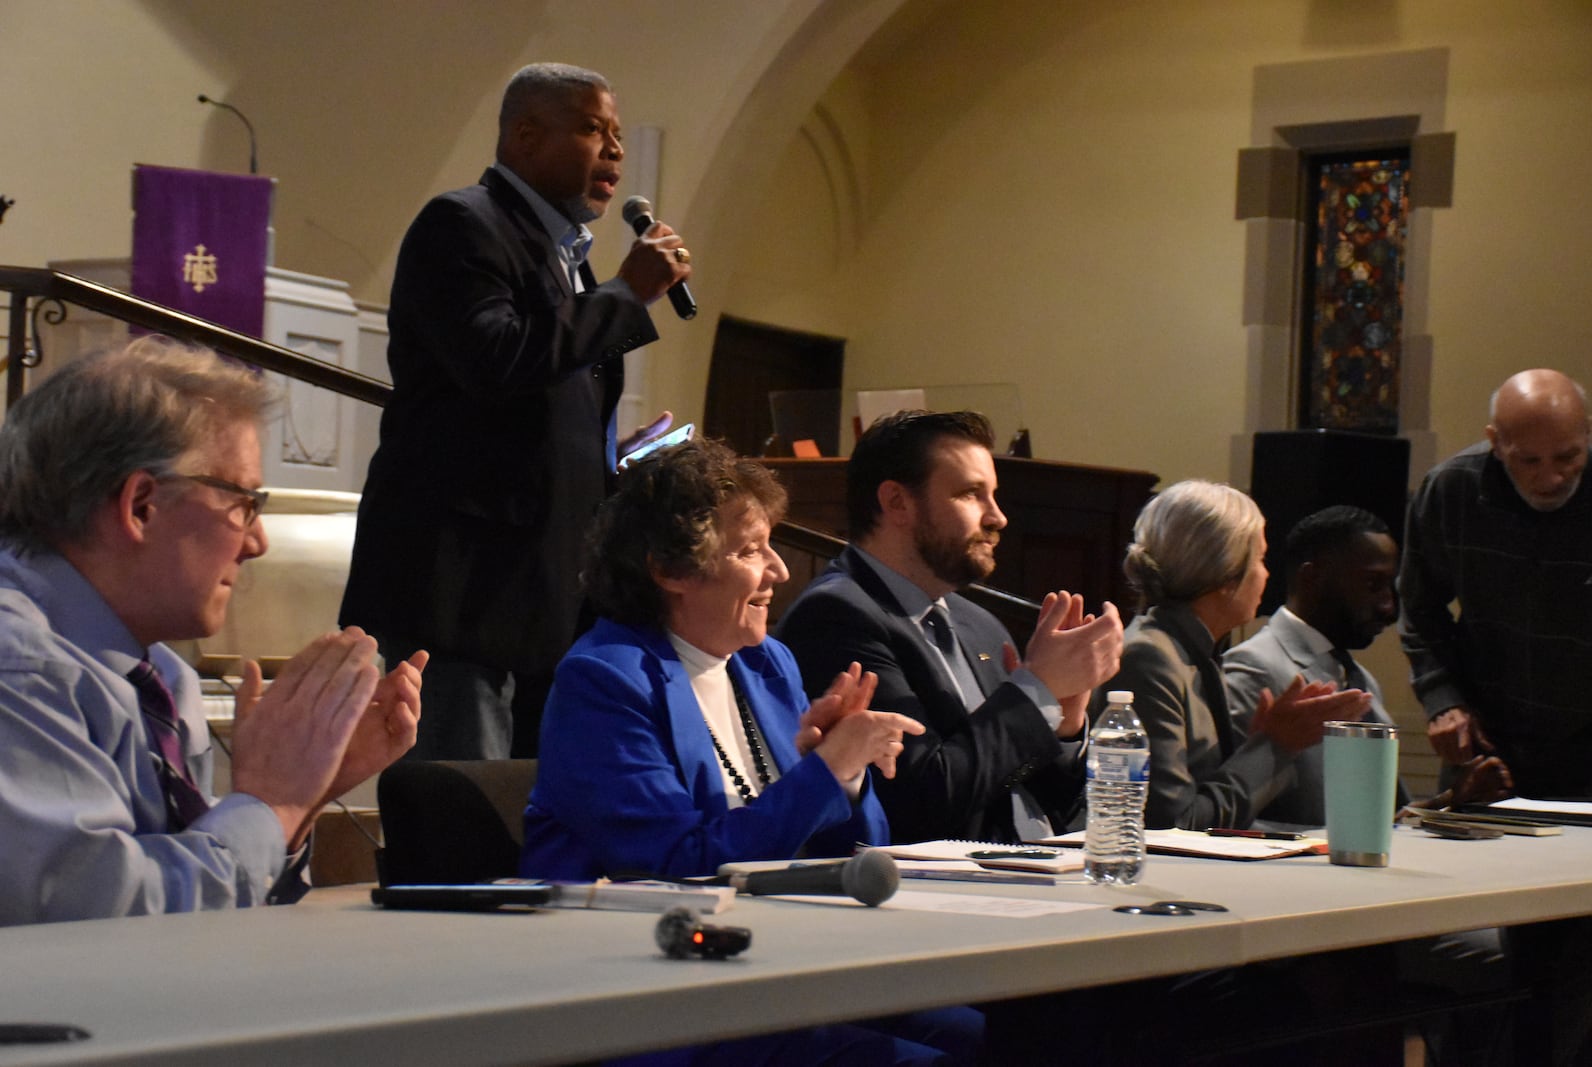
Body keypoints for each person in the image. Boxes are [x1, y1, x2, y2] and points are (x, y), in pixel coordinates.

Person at [519, 438, 979, 1065]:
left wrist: (844, 779)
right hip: (655, 996)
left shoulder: (766, 662)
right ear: (670, 569)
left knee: (1010, 1032)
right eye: (749, 550)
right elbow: (678, 870)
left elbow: (851, 858)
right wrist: (825, 769)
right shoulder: (604, 682)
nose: (780, 570)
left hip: (775, 966)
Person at [0, 338, 424, 926]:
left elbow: (210, 934)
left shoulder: (163, 674)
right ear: (141, 504)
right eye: (243, 502)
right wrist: (271, 802)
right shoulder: (16, 665)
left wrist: (304, 794)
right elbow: (92, 926)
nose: (257, 542)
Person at [340, 61, 691, 760]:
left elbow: (542, 396)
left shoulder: (568, 257)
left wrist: (611, 455)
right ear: (526, 135)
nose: (616, 151)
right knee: (460, 822)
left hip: (544, 592)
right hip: (463, 594)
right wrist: (625, 294)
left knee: (528, 824)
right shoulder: (461, 225)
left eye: (619, 135)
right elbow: (495, 359)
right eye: (594, 130)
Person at [777, 410, 1124, 845]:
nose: (997, 517)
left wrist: (1066, 722)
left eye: (994, 496)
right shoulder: (836, 616)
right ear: (897, 502)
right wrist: (1037, 691)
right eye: (970, 494)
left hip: (1034, 870)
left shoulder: (977, 623)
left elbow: (1040, 796)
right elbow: (923, 800)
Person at [1093, 481, 1368, 830]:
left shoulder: (1191, 651)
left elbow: (1206, 797)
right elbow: (1172, 826)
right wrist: (1275, 746)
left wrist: (1254, 748)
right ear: (1225, 575)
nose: (1266, 574)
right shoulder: (1151, 658)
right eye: (1259, 559)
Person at [1399, 368, 1592, 799]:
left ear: (1587, 432)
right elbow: (1419, 606)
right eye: (1529, 461)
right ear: (1496, 441)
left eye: (1568, 456)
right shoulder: (1453, 490)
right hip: (1488, 749)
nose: (1551, 479)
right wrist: (1443, 699)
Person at [1222, 506, 1424, 825]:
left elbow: (1378, 820)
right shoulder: (1254, 668)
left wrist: (1454, 804)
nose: (1389, 607)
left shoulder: (1362, 680)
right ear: (1312, 578)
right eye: (1373, 585)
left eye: (1391, 587)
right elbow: (1232, 813)